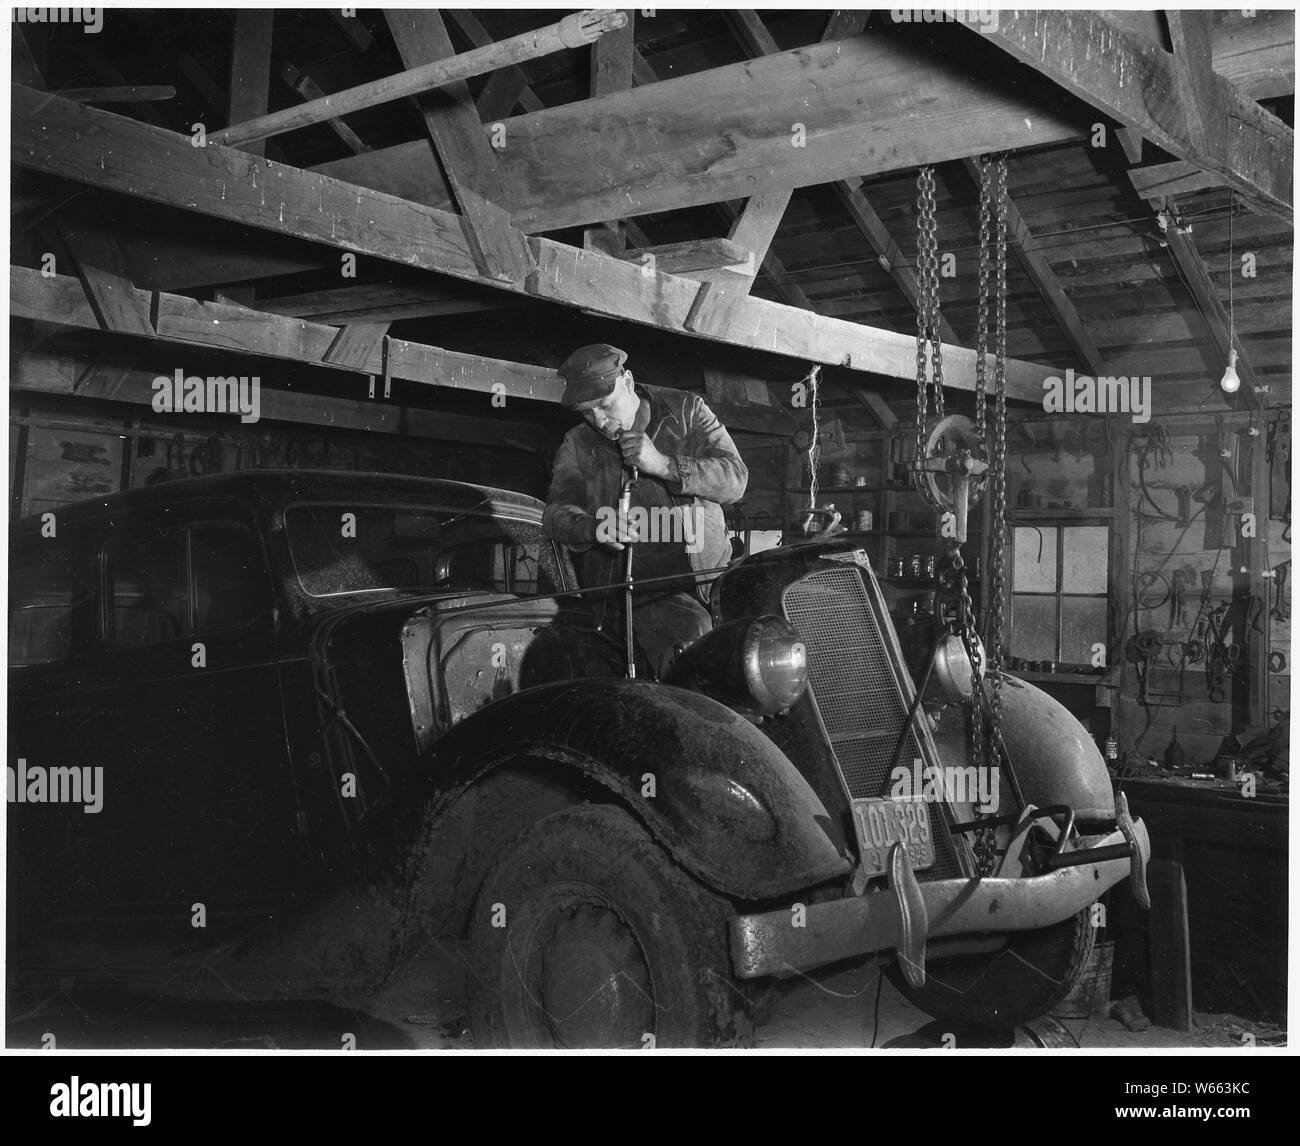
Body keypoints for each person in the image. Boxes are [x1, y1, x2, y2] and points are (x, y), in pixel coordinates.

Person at [543, 343, 748, 677]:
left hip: (712, 583)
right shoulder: (577, 444)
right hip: (635, 597)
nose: (599, 420)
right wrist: (591, 527)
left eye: (605, 405)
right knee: (694, 638)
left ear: (627, 381)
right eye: (586, 412)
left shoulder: (687, 413)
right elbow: (555, 514)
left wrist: (665, 465)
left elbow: (736, 479)